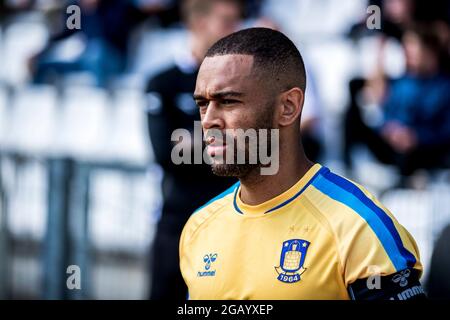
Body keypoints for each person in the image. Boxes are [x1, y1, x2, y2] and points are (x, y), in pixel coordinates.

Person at [179, 28, 425, 300]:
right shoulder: (198, 227)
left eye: (227, 101)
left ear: (288, 106)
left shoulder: (359, 227)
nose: (208, 120)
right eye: (203, 104)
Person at [146, 0, 242, 300]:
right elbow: (166, 153)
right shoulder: (164, 82)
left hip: (234, 221)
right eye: (226, 22)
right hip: (179, 220)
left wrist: (193, 139)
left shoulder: (242, 85)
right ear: (200, 24)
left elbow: (259, 146)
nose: (234, 31)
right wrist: (225, 138)